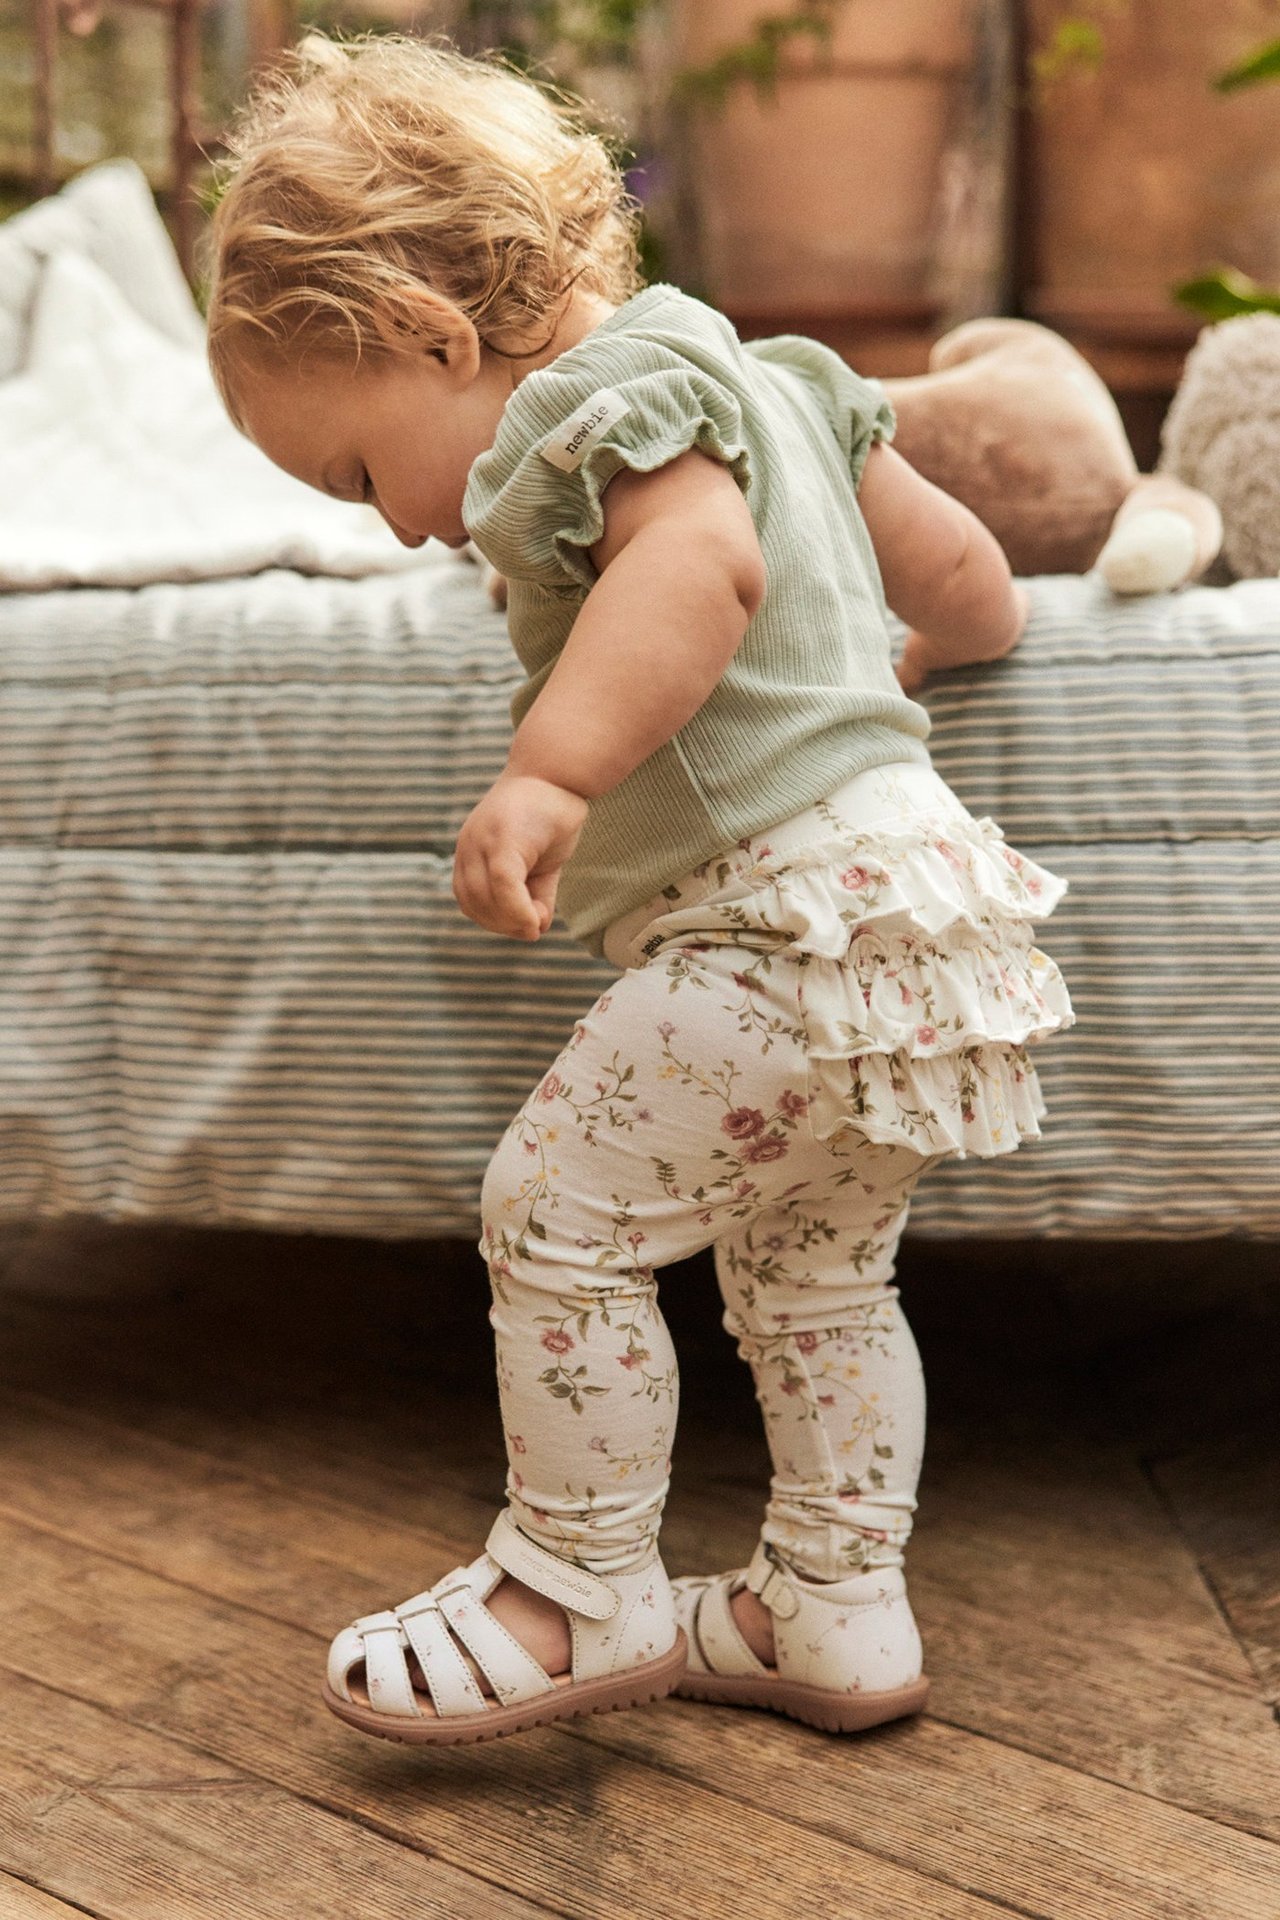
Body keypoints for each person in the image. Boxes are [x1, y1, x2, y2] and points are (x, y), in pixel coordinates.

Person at [204, 30, 1074, 1748]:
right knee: (818, 1282)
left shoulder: (577, 408)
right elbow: (974, 581)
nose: (390, 532)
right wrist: (928, 647)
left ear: (438, 339)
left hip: (773, 922)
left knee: (560, 1218)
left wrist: (551, 772)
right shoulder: (790, 376)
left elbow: (699, 562)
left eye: (359, 472)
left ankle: (573, 1580)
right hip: (912, 925)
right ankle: (828, 1607)